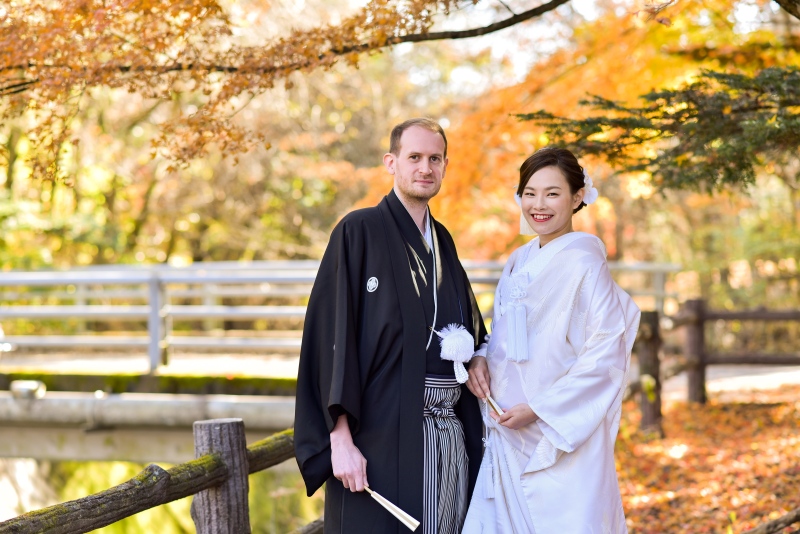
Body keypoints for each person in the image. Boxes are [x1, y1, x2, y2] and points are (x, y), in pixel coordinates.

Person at [294, 118, 488, 533]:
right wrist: (339, 440)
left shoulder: (443, 241)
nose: (425, 168)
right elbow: (332, 340)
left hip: (445, 435)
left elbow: (468, 324)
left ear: (445, 165)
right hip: (378, 436)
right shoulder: (357, 231)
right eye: (414, 157)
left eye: (434, 159)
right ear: (391, 162)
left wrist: (477, 358)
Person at [462, 147, 641, 533]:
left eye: (552, 193)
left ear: (578, 197)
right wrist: (480, 357)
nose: (538, 205)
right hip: (507, 425)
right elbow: (507, 337)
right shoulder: (517, 259)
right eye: (529, 192)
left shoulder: (584, 260)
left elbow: (605, 351)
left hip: (557, 430)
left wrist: (541, 408)